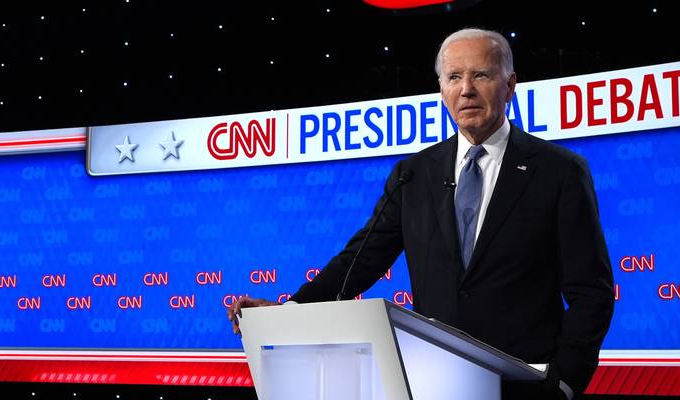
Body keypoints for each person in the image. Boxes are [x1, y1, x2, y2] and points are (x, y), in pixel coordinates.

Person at [227, 28, 614, 399]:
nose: (466, 89)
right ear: (442, 90)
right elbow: (360, 261)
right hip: (431, 382)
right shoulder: (413, 174)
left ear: (510, 85)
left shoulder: (559, 171)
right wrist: (289, 310)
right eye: (454, 77)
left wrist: (565, 381)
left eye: (481, 74)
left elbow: (591, 292)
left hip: (525, 386)